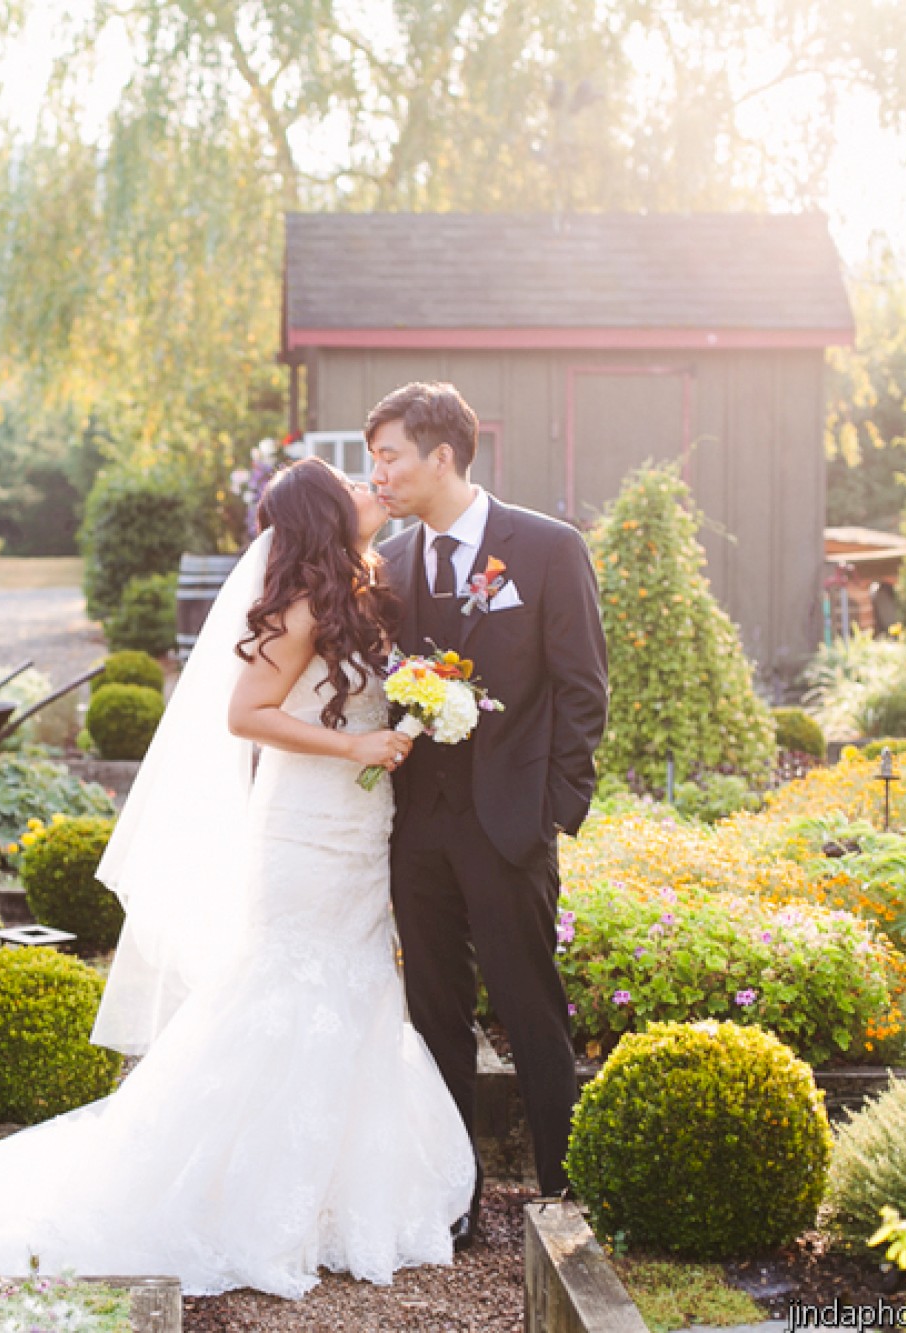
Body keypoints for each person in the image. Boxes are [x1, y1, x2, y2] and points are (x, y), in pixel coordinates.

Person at [0, 458, 476, 1299]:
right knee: (285, 993)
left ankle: (335, 1201)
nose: (366, 485)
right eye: (349, 482)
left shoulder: (362, 587)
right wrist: (355, 747)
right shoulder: (303, 605)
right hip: (304, 831)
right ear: (321, 514)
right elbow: (247, 714)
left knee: (357, 990)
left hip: (360, 826)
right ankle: (232, 1197)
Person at [365, 381, 609, 1246]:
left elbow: (584, 690)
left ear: (443, 456)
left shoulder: (546, 548)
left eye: (390, 455)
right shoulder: (387, 565)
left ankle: (567, 1187)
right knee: (433, 1017)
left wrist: (551, 810)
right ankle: (451, 1195)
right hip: (416, 828)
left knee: (531, 1005)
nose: (379, 473)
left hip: (510, 823)